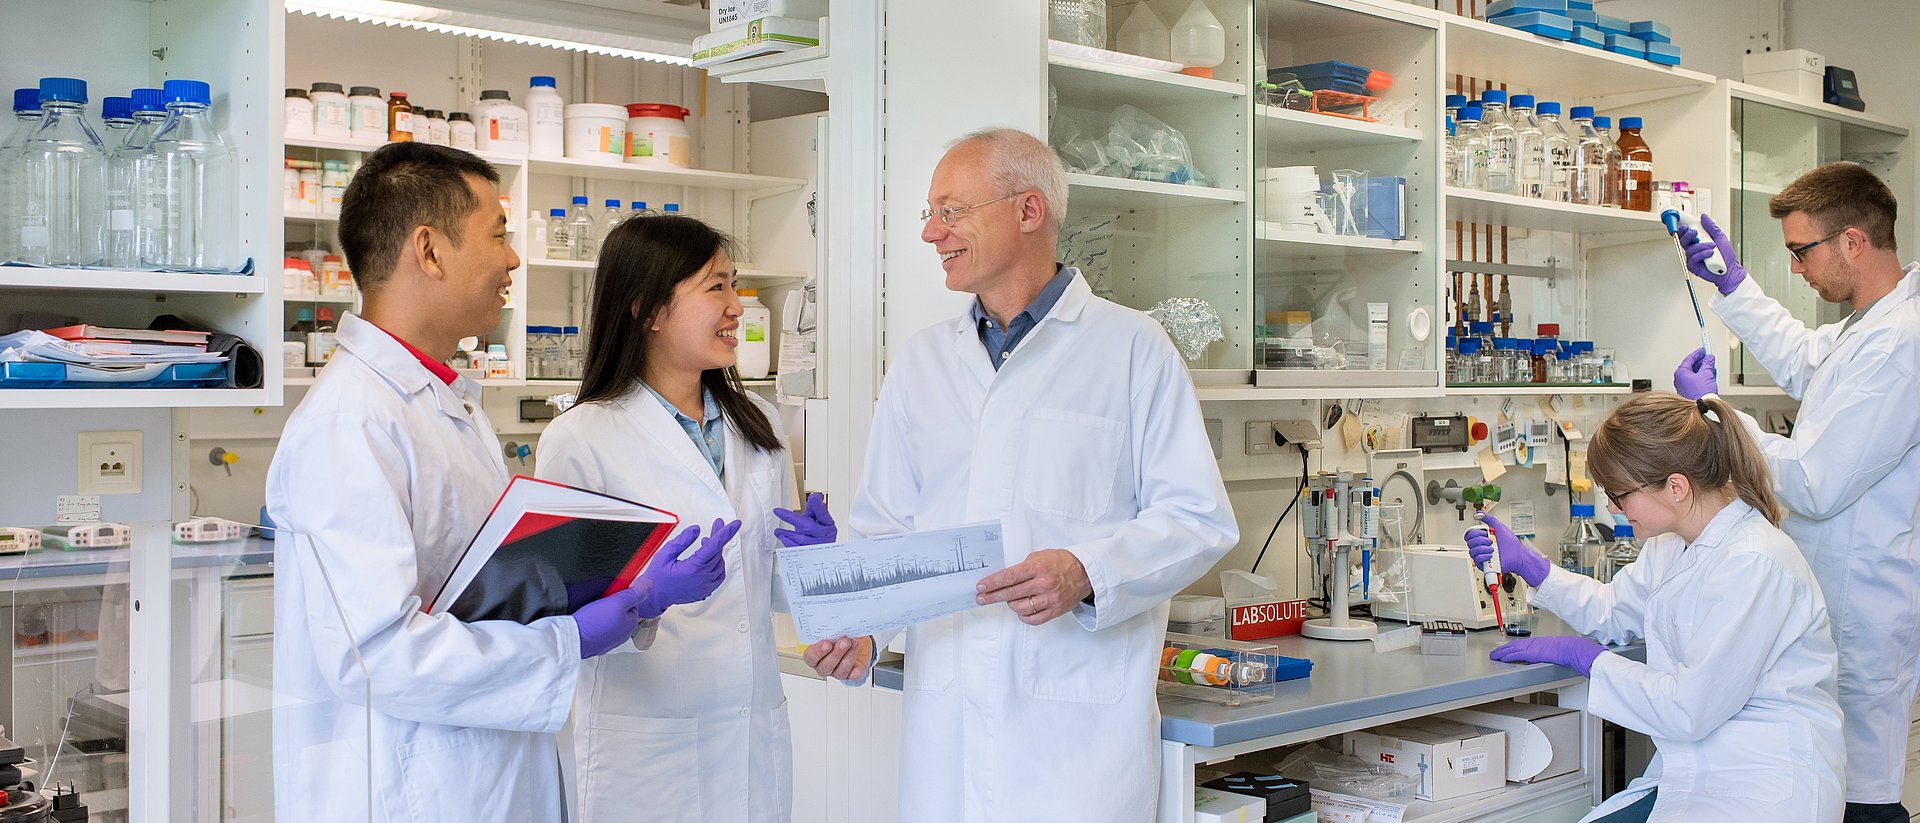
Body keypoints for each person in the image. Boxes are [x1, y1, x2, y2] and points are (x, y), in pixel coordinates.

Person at [266, 142, 723, 823]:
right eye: (499, 234)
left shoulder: (447, 405)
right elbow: (382, 656)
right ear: (429, 250)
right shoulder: (348, 423)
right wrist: (569, 638)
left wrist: (617, 593)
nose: (513, 258)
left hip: (486, 777)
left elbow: (479, 594)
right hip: (406, 791)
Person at [803, 128, 1237, 821]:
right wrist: (864, 629)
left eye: (951, 210)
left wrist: (1088, 568)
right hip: (945, 741)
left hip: (1077, 753)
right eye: (929, 212)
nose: (930, 232)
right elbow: (887, 530)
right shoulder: (922, 364)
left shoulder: (1132, 351)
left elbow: (1198, 518)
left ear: (1027, 210)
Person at [536, 214, 836, 822]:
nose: (736, 309)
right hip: (647, 746)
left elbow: (766, 585)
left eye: (733, 285)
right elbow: (562, 617)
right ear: (647, 309)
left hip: (749, 727)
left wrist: (809, 564)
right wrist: (645, 596)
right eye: (715, 287)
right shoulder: (581, 438)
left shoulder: (759, 424)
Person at [1671, 162, 1920, 823]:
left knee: (1862, 802)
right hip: (1832, 605)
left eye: (1802, 252)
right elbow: (1805, 356)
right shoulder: (1866, 329)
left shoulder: (1902, 341)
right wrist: (1731, 283)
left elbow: (1815, 482)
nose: (1800, 270)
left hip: (1862, 614)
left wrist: (1715, 412)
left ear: (1853, 243)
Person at [1469, 393, 1845, 822]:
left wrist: (1590, 660)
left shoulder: (1754, 562)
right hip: (1698, 770)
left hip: (1765, 785)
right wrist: (1535, 568)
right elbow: (1613, 611)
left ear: (1676, 487)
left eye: (1619, 494)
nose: (1611, 507)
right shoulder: (1673, 543)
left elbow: (1689, 710)